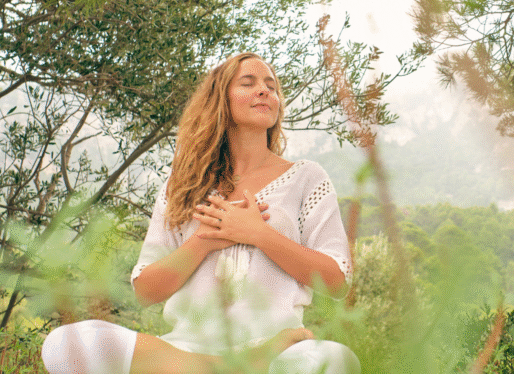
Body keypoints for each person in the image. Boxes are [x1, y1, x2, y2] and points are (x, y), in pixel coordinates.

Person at [41, 53, 359, 374]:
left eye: (271, 86)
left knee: (334, 360)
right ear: (220, 100)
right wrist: (204, 240)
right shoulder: (182, 185)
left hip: (277, 350)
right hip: (185, 350)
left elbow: (337, 281)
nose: (264, 91)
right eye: (248, 83)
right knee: (65, 344)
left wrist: (258, 234)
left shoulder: (307, 177)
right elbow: (146, 290)